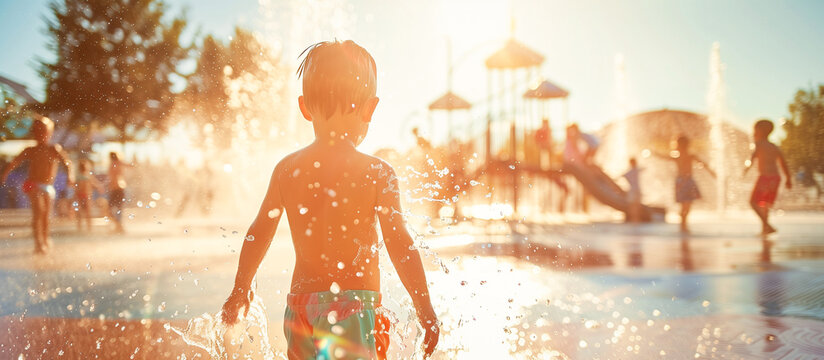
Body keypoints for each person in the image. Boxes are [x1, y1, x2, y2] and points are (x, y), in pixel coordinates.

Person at [220, 40, 439, 360]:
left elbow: (259, 231)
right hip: (350, 309)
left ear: (304, 107)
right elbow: (399, 242)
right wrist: (424, 307)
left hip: (300, 309)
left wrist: (241, 289)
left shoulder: (287, 170)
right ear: (370, 108)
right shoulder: (378, 173)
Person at [0, 117, 74, 254]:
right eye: (37, 131)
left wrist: (70, 175)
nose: (40, 134)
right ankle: (38, 243)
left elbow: (67, 162)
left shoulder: (54, 149)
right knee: (39, 212)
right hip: (32, 184)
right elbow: (14, 162)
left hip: (48, 187)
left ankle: (45, 239)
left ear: (50, 133)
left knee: (46, 215)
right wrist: (4, 174)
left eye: (44, 131)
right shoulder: (31, 150)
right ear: (34, 133)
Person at [656, 136, 715, 233]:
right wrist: (711, 172)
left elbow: (665, 157)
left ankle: (683, 224)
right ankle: (683, 225)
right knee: (686, 206)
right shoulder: (686, 156)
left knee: (685, 206)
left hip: (682, 181)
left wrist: (655, 154)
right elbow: (704, 164)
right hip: (686, 181)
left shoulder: (683, 156)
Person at [743, 119, 791, 235]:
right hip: (776, 178)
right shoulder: (774, 146)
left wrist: (746, 169)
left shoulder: (758, 144)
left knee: (752, 202)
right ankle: (765, 229)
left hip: (765, 177)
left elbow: (751, 158)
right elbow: (783, 163)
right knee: (765, 204)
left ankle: (767, 225)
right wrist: (788, 178)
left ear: (759, 131)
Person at [74, 159, 104, 232]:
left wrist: (99, 186)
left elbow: (76, 186)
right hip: (86, 195)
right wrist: (99, 187)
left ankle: (82, 227)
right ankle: (87, 227)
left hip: (82, 195)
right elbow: (94, 183)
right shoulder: (87, 175)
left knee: (82, 212)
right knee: (86, 212)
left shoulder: (80, 176)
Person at [107, 152, 131, 234]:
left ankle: (119, 226)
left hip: (117, 189)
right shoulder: (117, 163)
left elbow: (112, 178)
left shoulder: (115, 164)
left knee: (112, 209)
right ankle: (119, 226)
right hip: (118, 189)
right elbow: (129, 165)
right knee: (117, 208)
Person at [623, 157, 642, 223]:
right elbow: (643, 169)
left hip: (632, 190)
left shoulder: (630, 171)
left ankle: (633, 219)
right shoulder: (637, 170)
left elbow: (623, 175)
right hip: (637, 189)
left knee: (632, 205)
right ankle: (636, 219)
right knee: (637, 205)